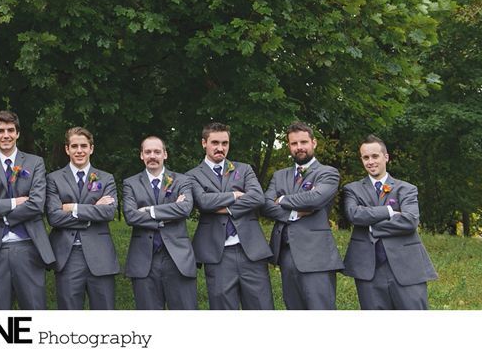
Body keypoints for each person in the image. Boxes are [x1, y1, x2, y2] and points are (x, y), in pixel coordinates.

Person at [0, 110, 55, 309]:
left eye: (10, 130)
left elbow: (36, 203)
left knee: (34, 309)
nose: (5, 135)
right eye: (0, 131)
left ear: (17, 133)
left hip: (28, 246)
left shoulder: (35, 163)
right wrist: (16, 202)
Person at [342, 135, 437, 309]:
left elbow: (410, 220)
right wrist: (389, 211)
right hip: (368, 270)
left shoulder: (406, 189)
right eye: (366, 157)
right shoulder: (352, 189)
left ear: (386, 157)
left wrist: (371, 225)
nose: (370, 161)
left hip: (407, 267)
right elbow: (354, 215)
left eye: (375, 156)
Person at [186, 122, 273, 309]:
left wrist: (225, 208)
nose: (220, 148)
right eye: (215, 142)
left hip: (251, 250)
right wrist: (234, 195)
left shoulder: (244, 169)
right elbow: (203, 202)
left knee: (262, 308)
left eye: (225, 143)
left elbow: (257, 198)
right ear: (204, 143)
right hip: (217, 254)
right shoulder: (191, 176)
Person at [262, 121, 343, 309]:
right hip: (286, 255)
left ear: (313, 143)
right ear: (289, 146)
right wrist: (294, 213)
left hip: (317, 256)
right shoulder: (279, 175)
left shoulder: (328, 173)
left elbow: (315, 199)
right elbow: (265, 204)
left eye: (303, 142)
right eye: (294, 143)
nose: (299, 147)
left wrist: (281, 199)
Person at [46, 127, 119, 310]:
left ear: (91, 149)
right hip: (68, 256)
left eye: (84, 146)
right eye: (74, 146)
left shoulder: (106, 178)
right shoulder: (53, 179)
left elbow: (108, 213)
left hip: (100, 255)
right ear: (67, 149)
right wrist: (93, 210)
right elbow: (54, 217)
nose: (79, 150)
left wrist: (73, 208)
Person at [123, 135, 198, 310]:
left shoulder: (182, 180)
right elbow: (130, 216)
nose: (152, 156)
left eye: (157, 151)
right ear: (141, 155)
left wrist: (149, 211)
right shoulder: (130, 184)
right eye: (148, 152)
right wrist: (170, 212)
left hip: (177, 259)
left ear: (165, 154)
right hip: (143, 261)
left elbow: (185, 209)